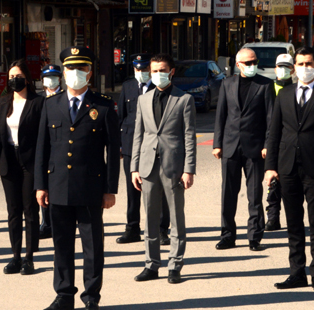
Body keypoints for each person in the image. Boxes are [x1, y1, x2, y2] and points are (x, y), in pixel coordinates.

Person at [34, 46, 120, 310]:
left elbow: (113, 153)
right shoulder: (50, 105)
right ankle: (64, 294)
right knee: (61, 244)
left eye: (81, 68)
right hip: (58, 186)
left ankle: (91, 296)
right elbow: (42, 148)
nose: (75, 73)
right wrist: (40, 186)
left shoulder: (103, 106)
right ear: (63, 72)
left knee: (93, 246)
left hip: (91, 188)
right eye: (70, 68)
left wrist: (110, 189)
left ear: (89, 73)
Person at [265, 47, 314, 293]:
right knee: (294, 223)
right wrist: (270, 167)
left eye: (308, 63)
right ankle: (296, 272)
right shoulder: (284, 94)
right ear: (294, 67)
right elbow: (274, 133)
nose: (304, 68)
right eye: (300, 63)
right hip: (287, 167)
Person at [129, 53, 197, 284]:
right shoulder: (143, 99)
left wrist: (189, 169)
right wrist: (134, 168)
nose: (158, 74)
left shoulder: (184, 99)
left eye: (162, 70)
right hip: (147, 166)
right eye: (154, 70)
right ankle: (151, 265)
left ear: (172, 71)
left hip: (174, 166)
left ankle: (175, 265)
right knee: (149, 219)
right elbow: (138, 135)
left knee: (176, 218)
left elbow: (189, 136)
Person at [212, 47, 276, 251]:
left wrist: (268, 145)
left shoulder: (265, 85)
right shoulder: (227, 83)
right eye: (248, 63)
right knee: (227, 194)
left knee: (255, 195)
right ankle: (228, 235)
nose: (252, 66)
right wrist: (217, 143)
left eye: (254, 62)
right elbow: (221, 116)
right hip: (230, 146)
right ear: (238, 65)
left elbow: (271, 119)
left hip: (255, 148)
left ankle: (254, 237)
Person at [0, 59, 45, 275]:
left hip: (30, 161)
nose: (14, 80)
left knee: (30, 210)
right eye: (11, 77)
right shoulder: (4, 102)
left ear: (27, 78)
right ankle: (15, 256)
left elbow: (43, 137)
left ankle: (29, 258)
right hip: (8, 161)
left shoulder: (38, 102)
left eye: (18, 76)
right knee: (13, 211)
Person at [115, 53, 171, 245]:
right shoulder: (128, 86)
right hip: (131, 145)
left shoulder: (159, 85)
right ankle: (132, 228)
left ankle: (161, 229)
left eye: (143, 69)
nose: (140, 73)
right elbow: (121, 117)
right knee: (133, 190)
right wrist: (120, 145)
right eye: (136, 69)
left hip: (154, 146)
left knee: (159, 189)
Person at [265, 53, 294, 232]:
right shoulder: (268, 88)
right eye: (280, 66)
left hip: (290, 143)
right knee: (272, 183)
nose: (283, 70)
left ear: (292, 69)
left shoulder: (298, 89)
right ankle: (272, 218)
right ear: (275, 68)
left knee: (290, 185)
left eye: (287, 67)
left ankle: (292, 219)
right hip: (272, 143)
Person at [36, 64, 63, 239]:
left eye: (54, 77)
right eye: (47, 77)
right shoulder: (38, 100)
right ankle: (46, 224)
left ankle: (59, 223)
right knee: (42, 187)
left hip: (59, 149)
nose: (51, 80)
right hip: (42, 149)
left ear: (60, 79)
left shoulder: (65, 98)